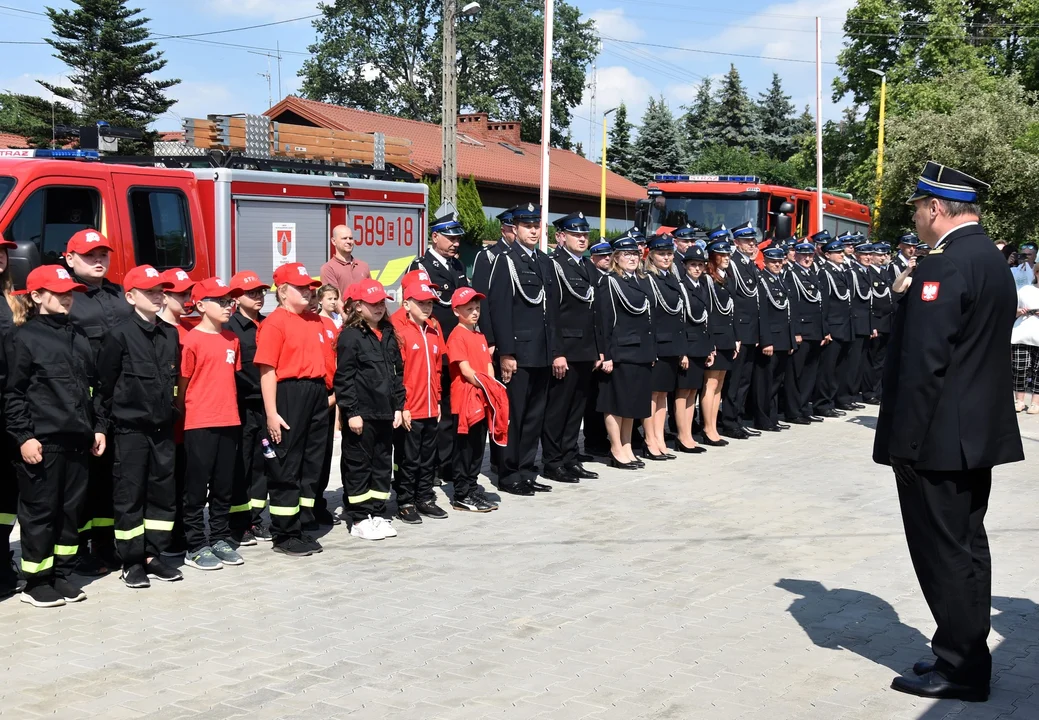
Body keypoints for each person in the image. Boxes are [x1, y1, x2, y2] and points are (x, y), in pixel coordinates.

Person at [875, 161, 1023, 702]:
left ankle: (960, 666)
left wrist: (904, 445)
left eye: (917, 207)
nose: (914, 216)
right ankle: (963, 649)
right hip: (973, 433)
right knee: (966, 546)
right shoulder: (990, 258)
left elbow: (923, 364)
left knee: (944, 553)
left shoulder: (944, 266)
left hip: (937, 439)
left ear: (935, 209)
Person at [4, 265, 106, 607]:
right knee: (40, 512)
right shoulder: (23, 338)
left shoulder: (78, 337)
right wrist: (23, 436)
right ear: (36, 296)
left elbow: (93, 389)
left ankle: (62, 573)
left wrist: (98, 427)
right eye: (58, 292)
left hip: (78, 441)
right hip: (42, 442)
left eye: (69, 292)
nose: (67, 298)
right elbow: (12, 393)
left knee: (70, 512)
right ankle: (36, 581)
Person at [93, 265, 183, 589]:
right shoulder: (118, 335)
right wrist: (101, 427)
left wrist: (174, 411)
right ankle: (131, 561)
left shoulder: (170, 333)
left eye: (161, 290)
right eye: (150, 291)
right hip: (130, 431)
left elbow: (174, 383)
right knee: (129, 496)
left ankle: (152, 554)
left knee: (162, 495)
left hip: (162, 431)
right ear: (130, 297)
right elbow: (104, 386)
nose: (158, 295)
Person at [64, 229, 133, 576]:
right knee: (82, 480)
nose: (98, 261)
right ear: (70, 258)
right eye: (89, 255)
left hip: (119, 399)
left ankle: (105, 545)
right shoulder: (67, 296)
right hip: (85, 402)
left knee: (109, 478)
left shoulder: (120, 293)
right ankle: (75, 550)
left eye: (103, 254)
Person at [252, 263, 327, 558]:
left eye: (311, 286)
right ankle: (284, 533)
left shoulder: (315, 321)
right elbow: (267, 371)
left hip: (316, 393)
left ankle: (301, 523)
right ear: (283, 292)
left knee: (312, 462)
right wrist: (271, 412)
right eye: (302, 287)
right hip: (289, 393)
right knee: (286, 462)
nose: (310, 291)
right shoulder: (275, 323)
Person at [486, 203, 560, 495]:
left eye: (536, 225)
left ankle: (527, 470)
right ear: (514, 229)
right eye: (527, 225)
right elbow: (499, 309)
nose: (533, 230)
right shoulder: (506, 261)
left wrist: (554, 351)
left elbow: (551, 312)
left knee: (534, 416)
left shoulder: (544, 261)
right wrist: (506, 353)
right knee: (514, 416)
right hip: (519, 352)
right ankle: (509, 473)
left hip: (541, 352)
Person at [178, 278, 245, 572]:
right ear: (202, 305)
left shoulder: (232, 339)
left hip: (229, 420)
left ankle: (219, 537)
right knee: (195, 488)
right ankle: (194, 544)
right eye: (220, 301)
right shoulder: (191, 340)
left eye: (229, 300)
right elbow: (183, 383)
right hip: (199, 422)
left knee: (223, 486)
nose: (228, 306)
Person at [335, 278, 405, 540]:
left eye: (381, 304)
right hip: (362, 415)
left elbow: (397, 373)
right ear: (357, 306)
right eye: (372, 303)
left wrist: (398, 407)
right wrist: (351, 412)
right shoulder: (351, 336)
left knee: (381, 464)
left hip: (385, 413)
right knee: (358, 465)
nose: (378, 308)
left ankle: (377, 513)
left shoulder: (388, 333)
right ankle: (359, 517)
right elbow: (344, 378)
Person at [409, 213, 471, 487]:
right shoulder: (421, 265)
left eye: (458, 238)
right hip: (432, 347)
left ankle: (447, 462)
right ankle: (431, 465)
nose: (456, 243)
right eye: (451, 237)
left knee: (453, 409)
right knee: (434, 410)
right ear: (435, 237)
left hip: (456, 347)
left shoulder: (458, 265)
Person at [541, 212, 599, 484]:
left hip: (586, 350)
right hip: (566, 349)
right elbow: (552, 314)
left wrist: (599, 350)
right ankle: (552, 462)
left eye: (585, 235)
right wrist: (557, 352)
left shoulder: (588, 266)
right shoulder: (555, 265)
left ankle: (569, 457)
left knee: (577, 409)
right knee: (558, 410)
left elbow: (594, 312)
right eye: (576, 234)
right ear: (560, 237)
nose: (582, 239)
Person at [389, 276, 452, 523]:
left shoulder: (434, 329)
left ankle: (424, 497)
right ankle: (405, 500)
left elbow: (437, 369)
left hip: (429, 405)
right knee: (409, 457)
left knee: (428, 456)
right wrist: (401, 406)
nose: (427, 307)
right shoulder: (400, 331)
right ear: (407, 304)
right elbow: (397, 372)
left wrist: (437, 400)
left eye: (430, 303)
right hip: (410, 408)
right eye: (421, 302)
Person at [595, 235, 655, 469]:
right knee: (616, 402)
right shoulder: (610, 282)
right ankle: (616, 447)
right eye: (626, 254)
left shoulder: (639, 281)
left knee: (632, 403)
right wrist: (606, 355)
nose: (632, 258)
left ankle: (628, 445)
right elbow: (604, 321)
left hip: (640, 351)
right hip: (621, 351)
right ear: (616, 258)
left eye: (635, 254)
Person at [447, 287, 506, 513]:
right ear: (456, 311)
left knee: (478, 446)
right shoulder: (456, 335)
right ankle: (461, 493)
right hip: (465, 399)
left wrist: (492, 386)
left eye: (477, 308)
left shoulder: (479, 335)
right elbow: (466, 371)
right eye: (469, 308)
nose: (474, 312)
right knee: (465, 448)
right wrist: (487, 384)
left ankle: (471, 487)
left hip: (482, 399)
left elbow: (488, 365)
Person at [227, 271, 272, 544]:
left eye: (260, 292)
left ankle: (256, 520)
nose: (257, 297)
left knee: (261, 465)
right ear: (236, 298)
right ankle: (238, 524)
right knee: (240, 466)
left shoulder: (268, 324)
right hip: (242, 405)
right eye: (251, 293)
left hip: (266, 406)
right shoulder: (230, 328)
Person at [156, 268, 195, 558]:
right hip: (166, 417)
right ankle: (164, 535)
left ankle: (181, 529)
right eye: (180, 294)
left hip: (188, 418)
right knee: (164, 479)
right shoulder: (156, 330)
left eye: (188, 293)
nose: (187, 298)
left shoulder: (190, 331)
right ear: (164, 295)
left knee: (184, 477)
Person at [643, 233, 686, 460]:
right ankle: (650, 440)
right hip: (657, 344)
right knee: (652, 395)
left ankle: (659, 437)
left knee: (662, 396)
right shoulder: (648, 278)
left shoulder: (670, 278)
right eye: (662, 253)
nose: (667, 257)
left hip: (671, 345)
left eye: (669, 253)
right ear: (651, 255)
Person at [0, 236, 26, 597]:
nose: (0, 257)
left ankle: (3, 559)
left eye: (2, 251)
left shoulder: (14, 302)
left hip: (10, 409)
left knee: (7, 495)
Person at [719, 223, 762, 440]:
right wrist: (735, 334)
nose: (752, 244)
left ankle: (737, 418)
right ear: (736, 243)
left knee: (745, 379)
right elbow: (733, 302)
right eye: (746, 241)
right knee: (734, 381)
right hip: (740, 329)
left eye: (753, 241)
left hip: (751, 330)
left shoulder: (749, 265)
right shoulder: (733, 264)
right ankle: (728, 421)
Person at [751, 247, 796, 431]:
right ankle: (762, 419)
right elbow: (762, 314)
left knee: (777, 380)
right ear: (766, 262)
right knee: (764, 382)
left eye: (779, 261)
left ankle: (772, 416)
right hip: (771, 340)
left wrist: (791, 339)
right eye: (773, 262)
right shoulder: (762, 281)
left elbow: (788, 312)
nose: (777, 265)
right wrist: (766, 340)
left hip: (783, 338)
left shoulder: (782, 280)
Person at [674, 245, 714, 453]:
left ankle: (688, 434)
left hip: (700, 345)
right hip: (688, 346)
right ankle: (682, 436)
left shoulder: (702, 286)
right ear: (684, 266)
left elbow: (705, 319)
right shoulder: (681, 287)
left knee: (693, 393)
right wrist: (683, 352)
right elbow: (680, 322)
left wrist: (710, 347)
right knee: (683, 392)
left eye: (700, 265)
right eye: (693, 265)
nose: (697, 269)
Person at [782, 242, 826, 424]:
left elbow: (820, 305)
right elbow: (792, 306)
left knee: (809, 372)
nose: (808, 259)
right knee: (795, 374)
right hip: (802, 330)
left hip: (815, 330)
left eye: (810, 256)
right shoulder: (792, 275)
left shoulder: (813, 275)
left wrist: (823, 331)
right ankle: (793, 411)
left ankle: (803, 407)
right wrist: (796, 331)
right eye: (803, 256)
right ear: (796, 256)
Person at [701, 241, 737, 446]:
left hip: (727, 336)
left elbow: (732, 310)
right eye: (721, 255)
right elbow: (709, 311)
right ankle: (707, 428)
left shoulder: (727, 278)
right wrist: (710, 341)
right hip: (715, 336)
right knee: (711, 383)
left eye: (727, 255)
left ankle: (713, 426)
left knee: (720, 384)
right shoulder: (708, 279)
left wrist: (736, 338)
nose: (726, 258)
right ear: (713, 257)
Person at [814, 239, 853, 418]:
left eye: (842, 252)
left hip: (844, 326)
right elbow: (824, 304)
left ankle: (833, 399)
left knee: (839, 367)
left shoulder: (842, 271)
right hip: (834, 327)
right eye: (837, 252)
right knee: (827, 369)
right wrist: (825, 329)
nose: (841, 255)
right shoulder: (825, 273)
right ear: (827, 255)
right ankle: (823, 403)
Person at [582, 240, 613, 458]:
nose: (606, 259)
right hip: (593, 347)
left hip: (603, 345)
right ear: (593, 257)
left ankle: (600, 438)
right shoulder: (593, 277)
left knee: (601, 396)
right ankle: (593, 440)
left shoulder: (608, 278)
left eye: (608, 256)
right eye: (601, 256)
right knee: (592, 400)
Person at [840, 241, 874, 408]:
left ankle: (852, 396)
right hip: (855, 322)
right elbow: (851, 300)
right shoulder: (852, 273)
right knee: (851, 364)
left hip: (865, 323)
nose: (868, 257)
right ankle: (845, 397)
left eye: (870, 254)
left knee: (860, 363)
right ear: (857, 255)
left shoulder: (867, 272)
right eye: (865, 254)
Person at [863, 244, 895, 405]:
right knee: (872, 360)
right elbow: (870, 301)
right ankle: (869, 392)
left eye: (884, 254)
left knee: (881, 360)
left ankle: (877, 391)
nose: (882, 257)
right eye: (878, 255)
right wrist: (872, 324)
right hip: (876, 321)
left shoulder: (884, 272)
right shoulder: (869, 273)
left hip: (887, 321)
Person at [319, 225, 371, 306]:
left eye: (351, 238)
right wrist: (348, 317)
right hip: (343, 317)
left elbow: (371, 293)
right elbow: (335, 300)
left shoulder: (364, 266)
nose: (349, 241)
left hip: (365, 317)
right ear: (333, 241)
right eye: (344, 238)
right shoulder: (328, 268)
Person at [471, 207, 516, 297]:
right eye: (512, 230)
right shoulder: (488, 255)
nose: (516, 233)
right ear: (503, 232)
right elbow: (481, 295)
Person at [1011, 274, 1039, 413]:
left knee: (1038, 370)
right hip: (1021, 334)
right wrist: (1019, 311)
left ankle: (1035, 403)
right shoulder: (1025, 289)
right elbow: (1011, 309)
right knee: (1019, 367)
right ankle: (1019, 400)